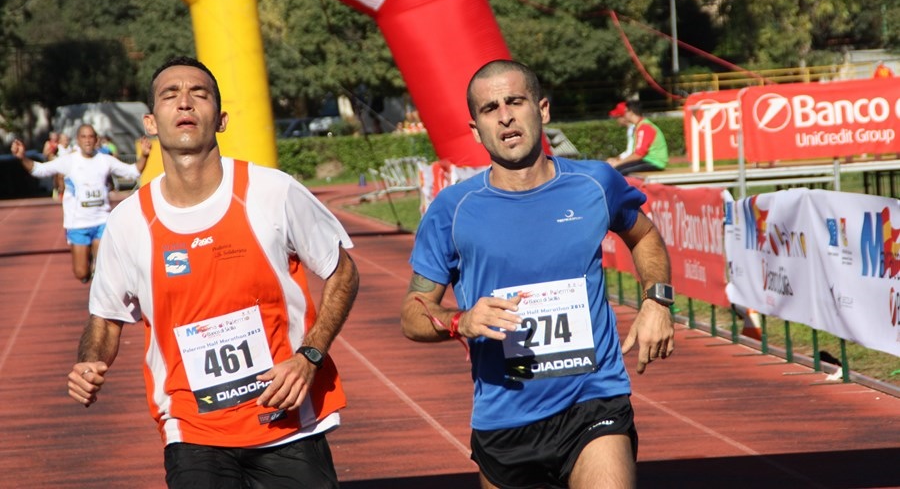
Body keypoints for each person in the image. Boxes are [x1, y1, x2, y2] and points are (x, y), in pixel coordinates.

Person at [65, 56, 360, 489]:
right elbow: (106, 319)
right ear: (151, 122)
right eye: (170, 95)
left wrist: (309, 356)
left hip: (286, 422)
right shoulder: (128, 222)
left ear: (221, 120)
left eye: (199, 94)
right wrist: (89, 361)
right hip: (191, 428)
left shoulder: (273, 192)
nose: (185, 102)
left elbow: (343, 272)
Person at [401, 60, 675, 489]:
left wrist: (657, 301)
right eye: (490, 108)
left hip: (593, 399)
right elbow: (412, 314)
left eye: (515, 101)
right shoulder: (452, 209)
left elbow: (645, 236)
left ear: (542, 109)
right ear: (476, 130)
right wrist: (461, 321)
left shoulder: (595, 183)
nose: (505, 116)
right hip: (504, 416)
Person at [10, 124, 151, 283]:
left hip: (102, 221)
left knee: (104, 271)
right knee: (81, 273)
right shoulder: (69, 161)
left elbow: (133, 171)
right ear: (78, 140)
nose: (87, 141)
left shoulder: (105, 160)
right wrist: (22, 157)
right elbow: (40, 170)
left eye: (91, 137)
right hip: (78, 223)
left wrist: (145, 155)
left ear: (96, 139)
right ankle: (87, 262)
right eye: (84, 137)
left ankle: (99, 280)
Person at [606, 99, 668, 176]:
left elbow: (639, 154)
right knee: (617, 170)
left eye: (625, 112)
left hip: (654, 162)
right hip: (647, 160)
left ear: (631, 112)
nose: (623, 115)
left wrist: (618, 162)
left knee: (618, 171)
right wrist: (618, 161)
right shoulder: (639, 126)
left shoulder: (644, 127)